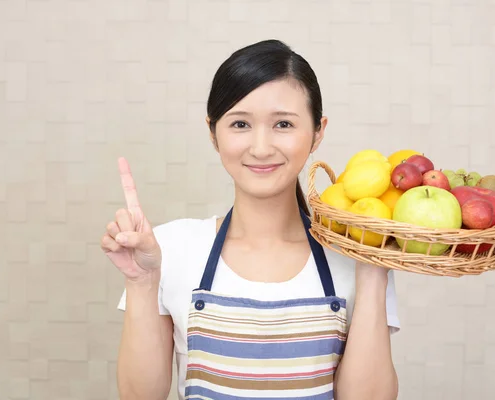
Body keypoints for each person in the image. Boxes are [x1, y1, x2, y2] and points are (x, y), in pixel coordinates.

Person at [101, 39, 401, 400]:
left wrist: (371, 268)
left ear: (318, 131)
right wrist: (143, 282)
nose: (260, 147)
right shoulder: (169, 250)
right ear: (213, 133)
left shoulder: (354, 257)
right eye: (240, 123)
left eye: (284, 124)